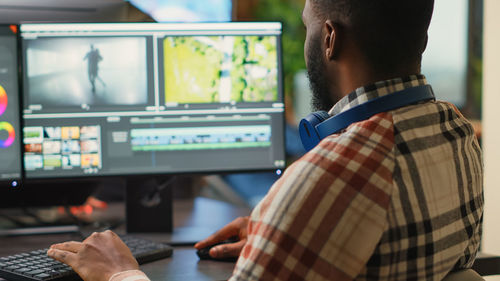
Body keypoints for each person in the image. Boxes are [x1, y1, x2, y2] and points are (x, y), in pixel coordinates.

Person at [47, 0, 483, 280]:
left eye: (309, 25)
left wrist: (119, 273)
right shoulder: (456, 133)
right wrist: (281, 230)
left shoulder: (333, 172)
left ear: (329, 39)